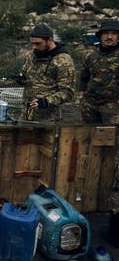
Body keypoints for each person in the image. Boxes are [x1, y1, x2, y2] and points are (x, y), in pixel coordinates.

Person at [79, 19, 119, 247]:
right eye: (106, 34)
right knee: (89, 146)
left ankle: (112, 195)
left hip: (113, 109)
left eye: (113, 34)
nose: (109, 37)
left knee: (113, 153)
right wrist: (81, 96)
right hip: (90, 106)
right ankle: (88, 191)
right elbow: (84, 77)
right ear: (100, 36)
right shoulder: (90, 55)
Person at [13, 23, 76, 121]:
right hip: (27, 113)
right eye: (32, 43)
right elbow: (26, 74)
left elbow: (67, 92)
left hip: (48, 117)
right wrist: (21, 79)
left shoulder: (63, 61)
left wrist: (46, 101)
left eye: (38, 43)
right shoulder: (33, 56)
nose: (34, 47)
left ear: (50, 40)